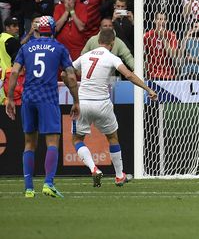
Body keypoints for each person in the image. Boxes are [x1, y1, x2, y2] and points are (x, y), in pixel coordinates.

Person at [70, 28, 157, 187]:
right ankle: (119, 175)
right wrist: (148, 89)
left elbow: (67, 72)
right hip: (102, 103)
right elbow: (129, 75)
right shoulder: (111, 57)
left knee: (77, 139)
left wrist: (73, 90)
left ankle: (93, 168)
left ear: (97, 41)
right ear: (113, 42)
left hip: (82, 103)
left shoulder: (85, 56)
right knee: (112, 137)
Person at [5, 16, 80, 197]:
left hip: (28, 97)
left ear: (38, 30)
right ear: (53, 30)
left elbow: (14, 71)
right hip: (48, 97)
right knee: (52, 142)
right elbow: (70, 77)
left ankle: (29, 188)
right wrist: (76, 100)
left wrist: (9, 98)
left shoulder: (26, 47)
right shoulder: (59, 48)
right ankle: (48, 183)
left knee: (29, 143)